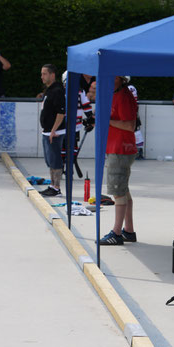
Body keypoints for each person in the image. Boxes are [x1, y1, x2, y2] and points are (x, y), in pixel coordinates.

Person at [99, 76, 139, 246]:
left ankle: (116, 232)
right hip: (119, 148)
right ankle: (128, 230)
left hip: (120, 149)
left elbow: (130, 125)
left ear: (120, 79)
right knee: (123, 190)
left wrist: (105, 121)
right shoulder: (118, 94)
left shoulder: (123, 96)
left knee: (118, 191)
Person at [38, 64, 66, 197]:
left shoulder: (57, 90)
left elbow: (61, 113)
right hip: (47, 130)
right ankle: (52, 185)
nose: (42, 76)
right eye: (42, 74)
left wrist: (54, 130)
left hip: (54, 132)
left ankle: (56, 187)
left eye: (44, 74)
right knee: (49, 160)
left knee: (55, 160)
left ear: (52, 75)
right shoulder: (49, 90)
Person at [60, 71, 94, 170]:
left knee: (67, 144)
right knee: (70, 144)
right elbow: (86, 107)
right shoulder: (80, 91)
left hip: (66, 125)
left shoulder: (63, 91)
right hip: (71, 124)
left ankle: (66, 164)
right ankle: (69, 163)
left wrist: (90, 119)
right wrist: (90, 119)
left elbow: (86, 107)